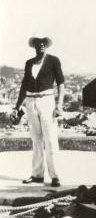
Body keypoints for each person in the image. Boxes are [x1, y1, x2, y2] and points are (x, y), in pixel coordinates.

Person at [11, 37, 65, 187]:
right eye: (38, 41)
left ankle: (55, 176)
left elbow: (61, 83)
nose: (41, 44)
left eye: (44, 41)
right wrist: (16, 107)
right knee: (36, 139)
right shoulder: (29, 63)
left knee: (50, 139)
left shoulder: (54, 60)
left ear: (46, 44)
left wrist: (59, 105)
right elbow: (24, 86)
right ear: (34, 44)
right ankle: (37, 175)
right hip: (30, 102)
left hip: (47, 101)